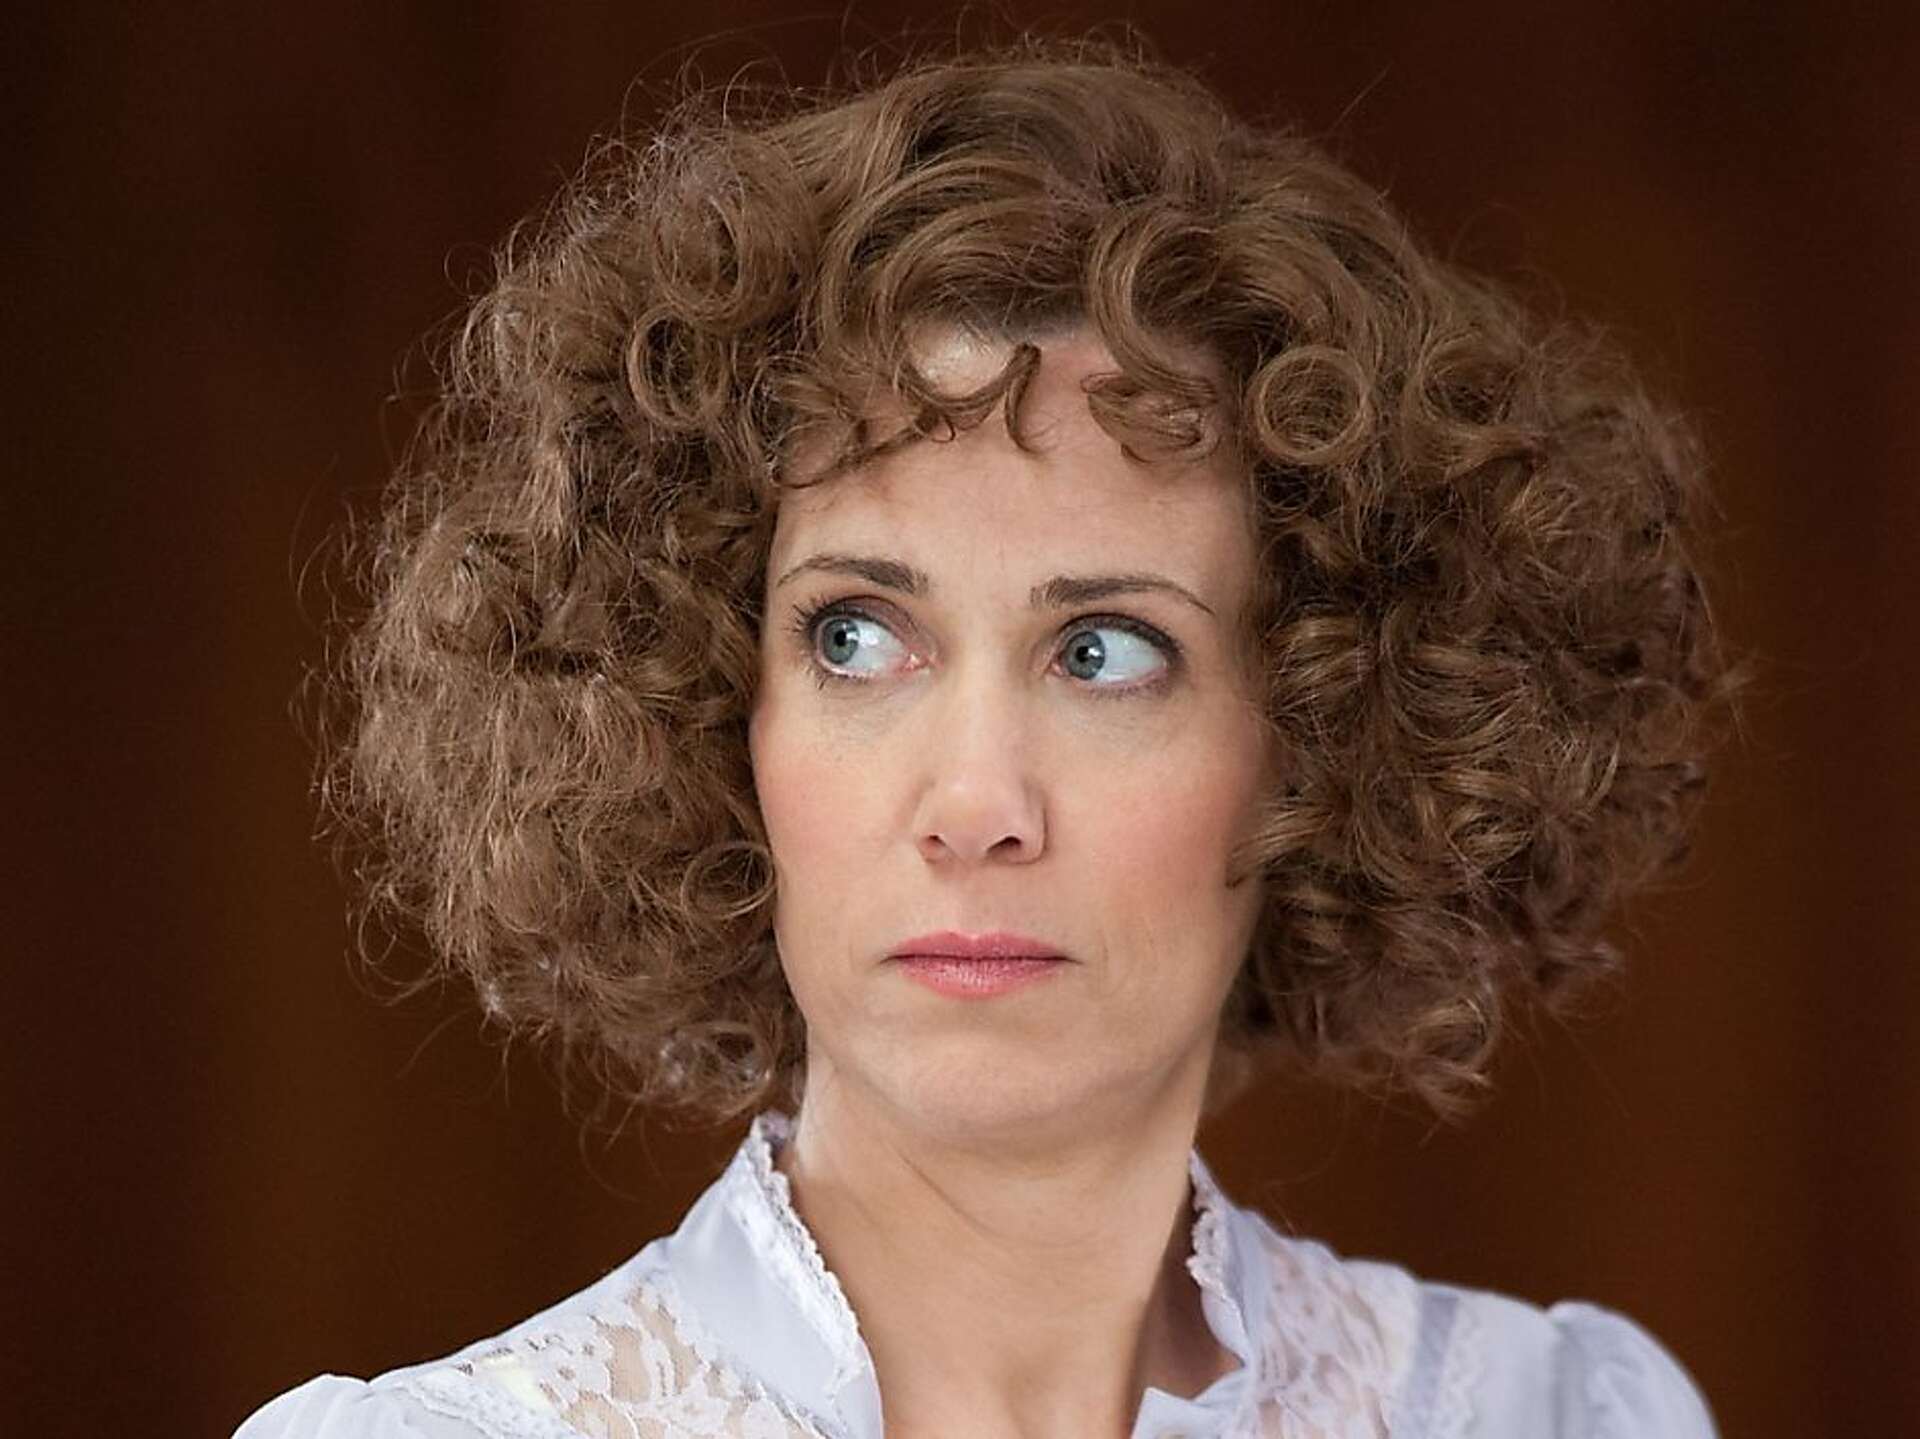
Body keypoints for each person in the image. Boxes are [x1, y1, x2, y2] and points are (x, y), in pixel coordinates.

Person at [237, 34, 1741, 1439]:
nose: (974, 802)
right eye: (855, 637)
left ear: (1324, 740)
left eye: (1105, 652)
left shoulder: (1548, 1416)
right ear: (710, 714)